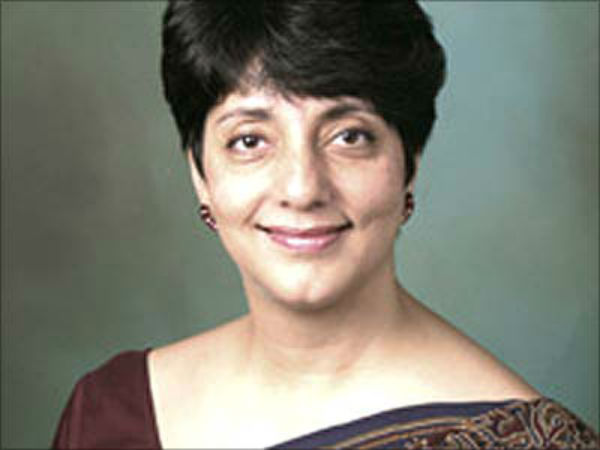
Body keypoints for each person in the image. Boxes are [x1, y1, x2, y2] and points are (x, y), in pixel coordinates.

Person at [52, 1, 598, 448]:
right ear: (200, 174)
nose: (302, 188)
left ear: (409, 163)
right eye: (249, 140)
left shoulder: (518, 440)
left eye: (349, 137)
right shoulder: (111, 412)